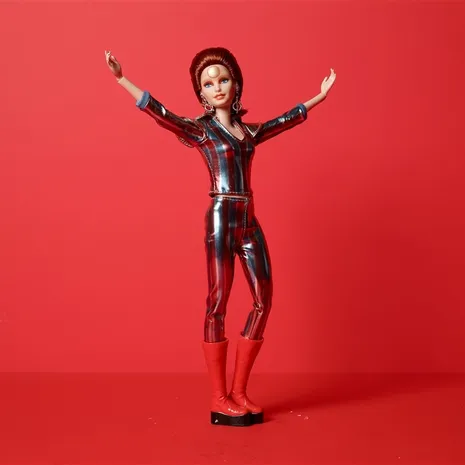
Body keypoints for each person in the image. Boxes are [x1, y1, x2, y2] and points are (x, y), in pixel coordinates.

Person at [105, 47, 336, 427]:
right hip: (221, 217)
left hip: (248, 218)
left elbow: (283, 121)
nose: (217, 87)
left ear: (236, 84)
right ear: (201, 93)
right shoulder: (201, 131)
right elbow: (161, 113)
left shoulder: (248, 133)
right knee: (218, 302)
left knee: (264, 299)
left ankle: (239, 392)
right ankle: (219, 397)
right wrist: (121, 78)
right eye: (209, 83)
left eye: (223, 79)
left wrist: (319, 97)